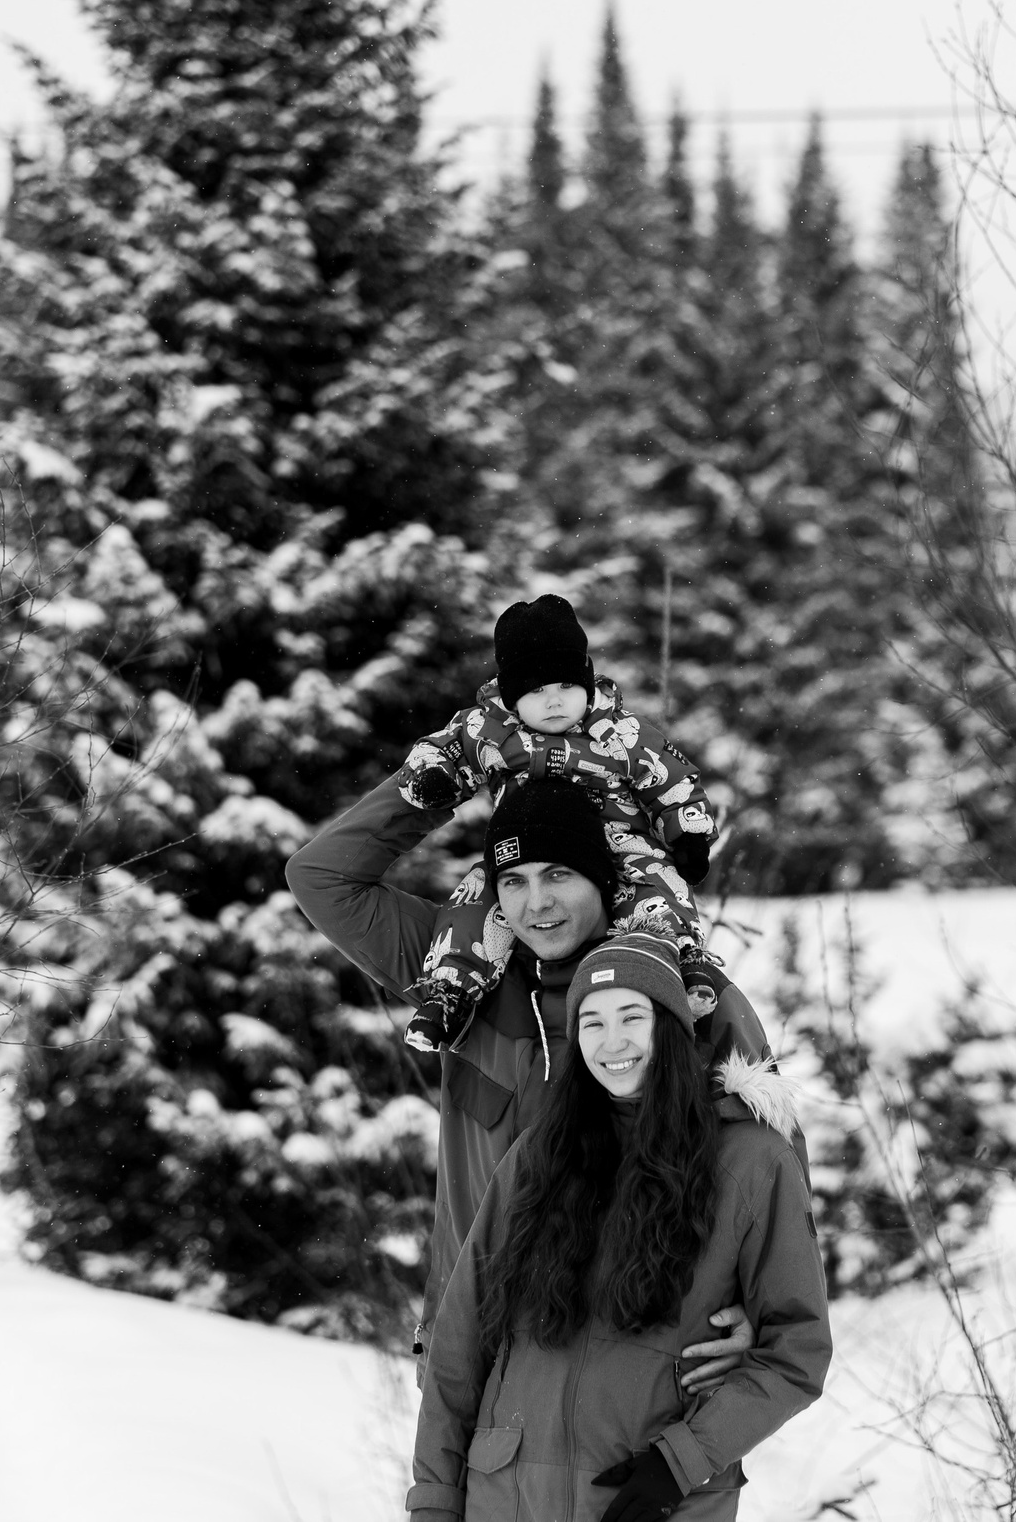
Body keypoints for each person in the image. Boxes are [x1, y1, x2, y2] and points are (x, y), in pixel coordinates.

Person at [285, 767, 777, 1383]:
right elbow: (319, 876)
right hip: (480, 1355)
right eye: (512, 881)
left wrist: (762, 1310)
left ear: (603, 878)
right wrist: (454, 763)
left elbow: (771, 1163)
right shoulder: (459, 976)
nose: (535, 904)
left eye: (558, 875)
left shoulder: (688, 995)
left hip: (647, 1362)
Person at [408, 933, 829, 1522]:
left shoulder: (752, 1162)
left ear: (672, 1029)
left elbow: (798, 1348)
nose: (613, 1043)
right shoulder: (538, 1155)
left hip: (657, 1503)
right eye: (592, 1023)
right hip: (504, 1498)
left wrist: (683, 1459)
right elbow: (461, 1341)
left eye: (633, 1017)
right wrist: (432, 1502)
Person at [388, 594, 723, 1050]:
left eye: (566, 686)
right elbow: (438, 749)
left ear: (587, 681)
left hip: (620, 839)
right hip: (523, 847)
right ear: (511, 695)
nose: (553, 702)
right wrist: (431, 778)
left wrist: (689, 833)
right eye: (535, 690)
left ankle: (682, 962)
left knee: (656, 884)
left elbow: (672, 780)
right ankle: (450, 991)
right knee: (478, 900)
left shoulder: (621, 731)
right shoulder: (488, 729)